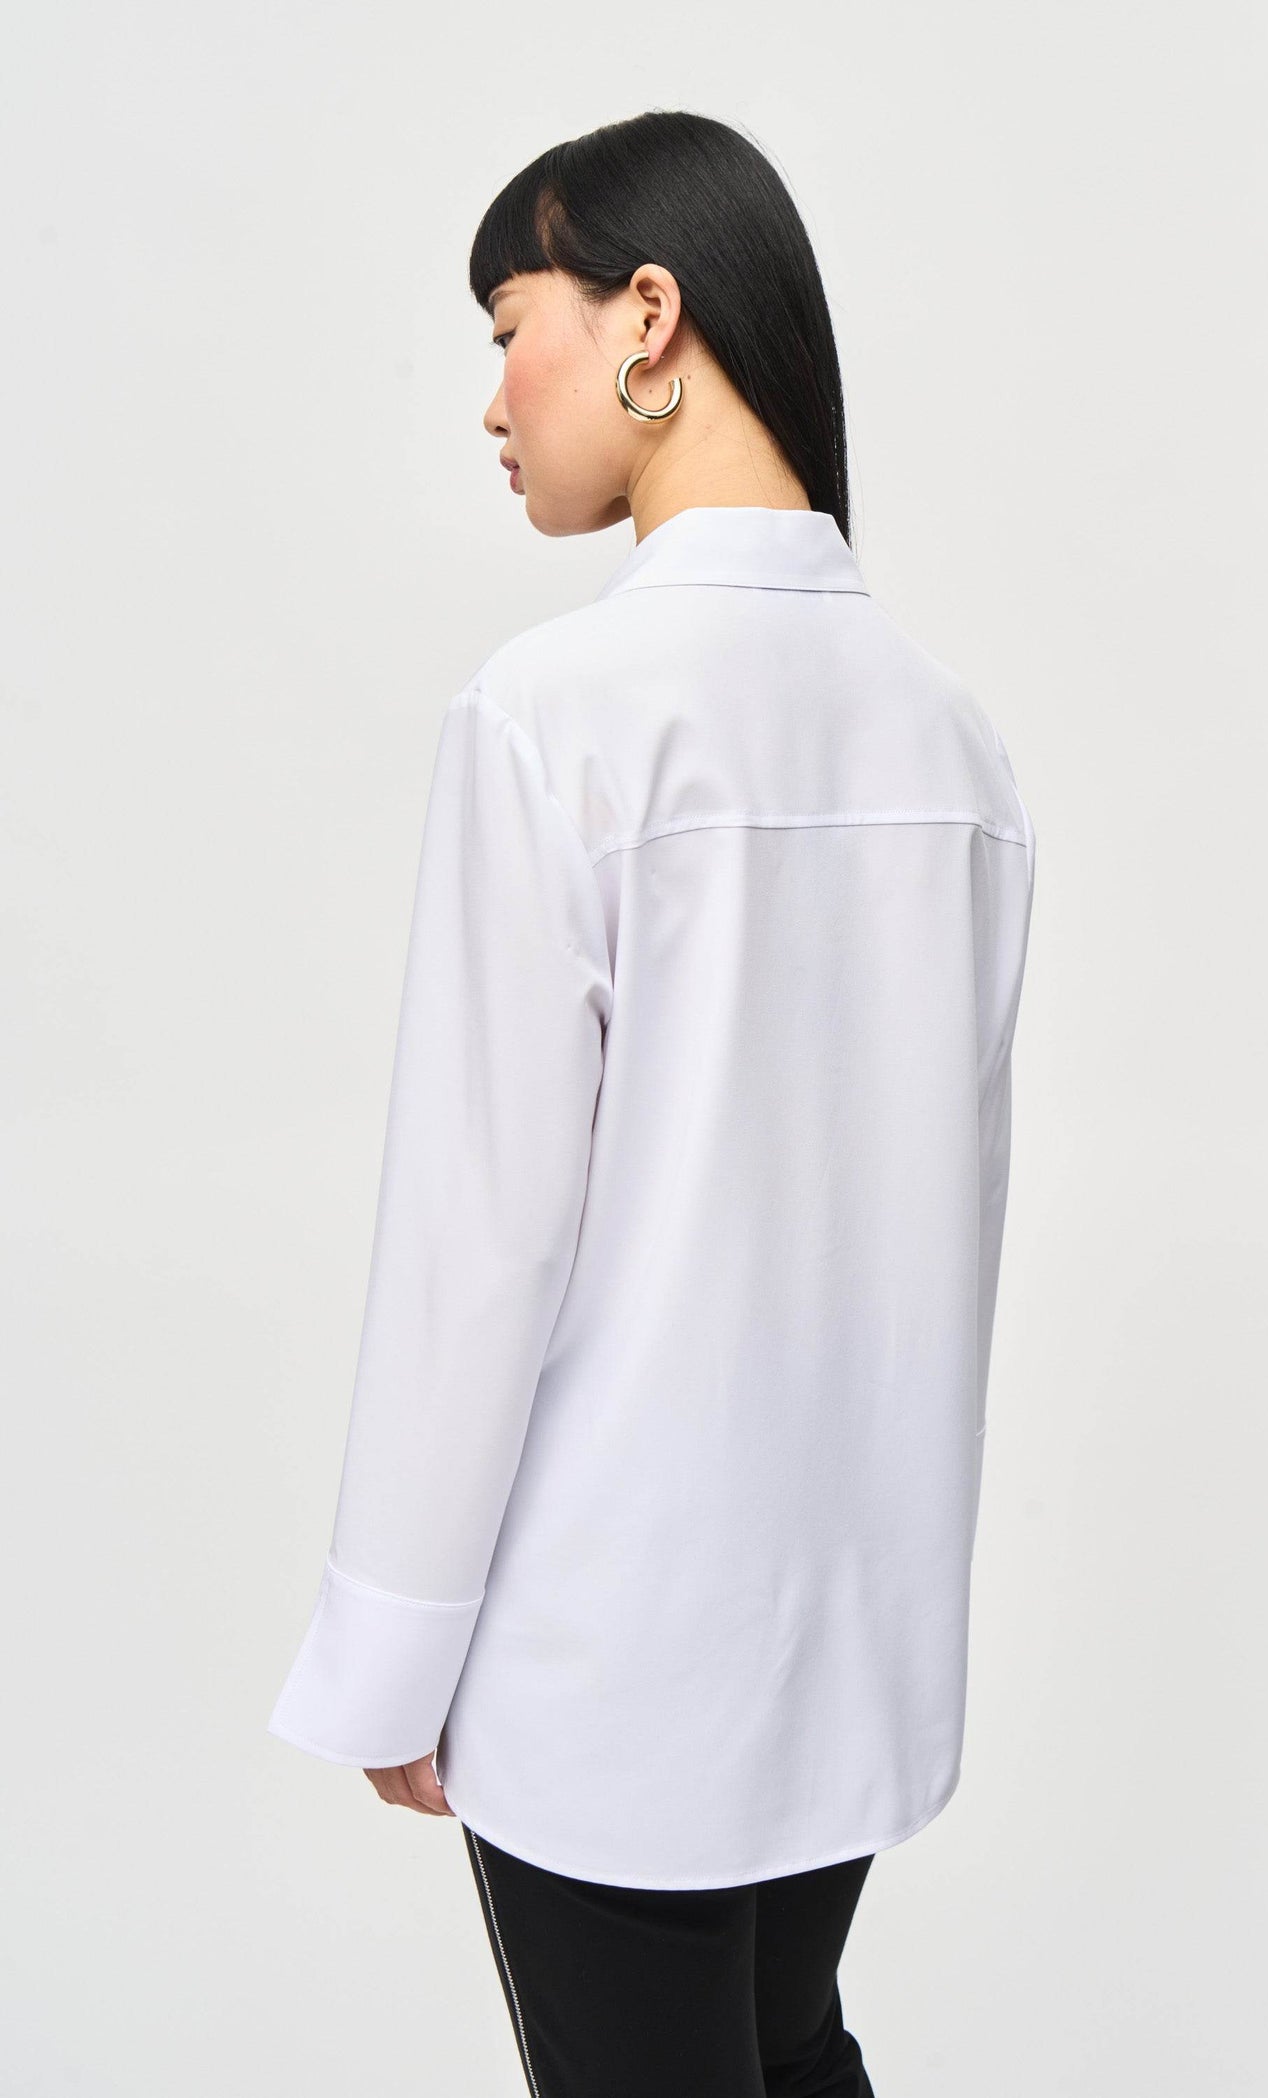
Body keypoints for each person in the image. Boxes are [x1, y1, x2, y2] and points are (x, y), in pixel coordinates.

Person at [267, 109, 1036, 2097]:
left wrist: (394, 1645)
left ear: (648, 318)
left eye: (508, 325)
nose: (490, 399)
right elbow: (948, 1231)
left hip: (609, 1661)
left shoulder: (557, 717)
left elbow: (480, 1240)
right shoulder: (949, 737)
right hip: (846, 1650)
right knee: (789, 2048)